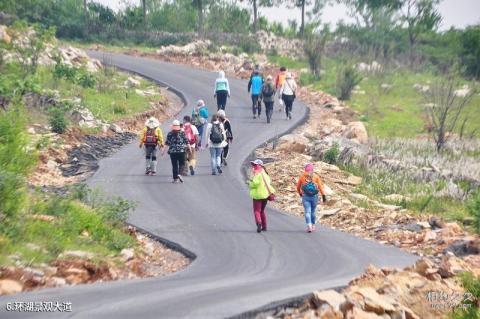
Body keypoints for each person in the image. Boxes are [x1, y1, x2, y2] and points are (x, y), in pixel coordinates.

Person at [296, 163, 327, 233]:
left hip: (305, 197)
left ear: (305, 169)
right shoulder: (316, 177)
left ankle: (309, 225)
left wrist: (300, 193)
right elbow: (320, 187)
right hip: (314, 197)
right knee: (313, 212)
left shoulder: (302, 177)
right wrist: (323, 196)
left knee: (307, 211)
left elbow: (298, 187)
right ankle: (313, 225)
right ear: (312, 169)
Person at [248, 159, 275, 233]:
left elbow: (255, 184)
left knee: (257, 211)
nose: (253, 166)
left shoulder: (257, 174)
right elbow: (268, 183)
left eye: (255, 165)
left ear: (259, 166)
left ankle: (259, 223)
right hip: (265, 195)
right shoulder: (265, 174)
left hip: (257, 195)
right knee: (262, 211)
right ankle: (264, 226)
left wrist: (249, 183)